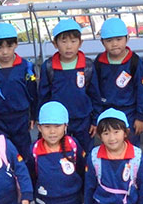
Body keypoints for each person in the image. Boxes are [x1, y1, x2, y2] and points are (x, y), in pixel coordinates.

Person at [0, 23, 41, 169]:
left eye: (9, 46)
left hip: (21, 118)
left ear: (16, 44)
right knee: (2, 153)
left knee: (24, 152)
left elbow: (33, 93)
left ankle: (27, 183)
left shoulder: (26, 67)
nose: (5, 52)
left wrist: (33, 116)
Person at [31, 102, 89, 204]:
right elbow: (31, 175)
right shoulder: (34, 150)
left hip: (72, 200)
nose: (52, 132)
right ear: (39, 128)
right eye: (47, 127)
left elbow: (82, 169)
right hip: (47, 203)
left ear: (65, 126)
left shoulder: (73, 145)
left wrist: (83, 195)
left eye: (57, 126)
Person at [36, 20, 97, 153]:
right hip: (57, 122)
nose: (68, 46)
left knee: (84, 153)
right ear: (55, 44)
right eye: (63, 42)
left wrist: (95, 120)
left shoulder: (88, 66)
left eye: (73, 41)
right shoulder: (49, 66)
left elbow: (95, 95)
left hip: (83, 120)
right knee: (60, 152)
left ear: (80, 43)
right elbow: (43, 96)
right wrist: (41, 119)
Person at [90, 20, 143, 135]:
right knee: (110, 143)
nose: (114, 44)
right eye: (109, 40)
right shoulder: (99, 62)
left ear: (127, 38)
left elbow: (141, 91)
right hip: (106, 112)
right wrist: (96, 117)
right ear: (102, 42)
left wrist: (140, 117)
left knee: (130, 146)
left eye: (119, 39)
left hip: (129, 112)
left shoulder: (135, 62)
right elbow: (95, 91)